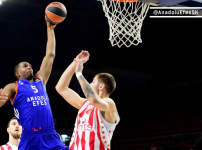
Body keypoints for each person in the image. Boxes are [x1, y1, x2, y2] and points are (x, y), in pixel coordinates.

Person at [0, 17, 68, 150]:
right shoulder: (13, 86)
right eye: (25, 66)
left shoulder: (40, 80)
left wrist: (50, 29)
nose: (29, 67)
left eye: (30, 65)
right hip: (30, 137)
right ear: (18, 73)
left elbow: (50, 55)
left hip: (51, 135)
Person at [56, 50, 120, 150]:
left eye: (93, 81)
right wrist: (76, 62)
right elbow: (61, 88)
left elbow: (94, 100)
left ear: (101, 86)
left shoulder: (109, 104)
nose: (90, 84)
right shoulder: (85, 104)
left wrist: (79, 74)